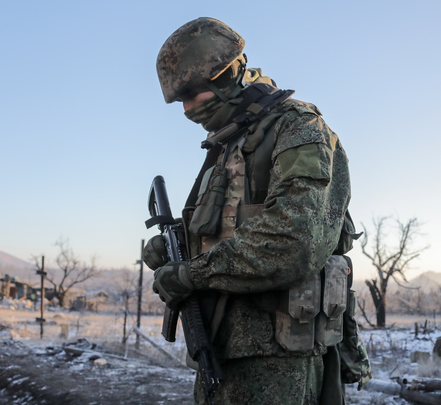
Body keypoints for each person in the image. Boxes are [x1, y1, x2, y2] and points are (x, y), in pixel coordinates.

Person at [144, 17, 369, 404]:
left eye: (192, 93)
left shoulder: (299, 129)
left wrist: (192, 273)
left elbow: (293, 241)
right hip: (222, 350)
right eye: (178, 100)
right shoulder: (230, 143)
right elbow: (228, 229)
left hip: (281, 361)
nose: (186, 109)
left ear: (227, 74)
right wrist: (177, 248)